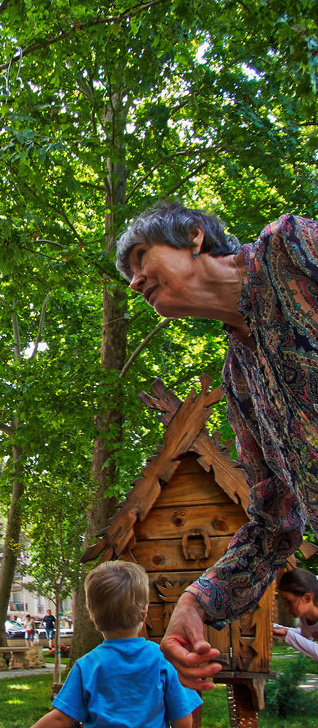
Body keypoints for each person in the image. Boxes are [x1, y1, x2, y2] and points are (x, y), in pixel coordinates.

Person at [115, 202, 318, 690]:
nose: (135, 281)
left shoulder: (287, 248)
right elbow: (274, 523)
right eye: (130, 274)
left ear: (193, 237)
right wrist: (194, 602)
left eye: (142, 257)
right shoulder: (240, 380)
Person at [0, 561, 200, 728]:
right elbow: (183, 718)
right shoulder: (160, 661)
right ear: (144, 613)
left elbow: (59, 720)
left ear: (92, 615)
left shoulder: (88, 666)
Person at [273, 568, 318, 661]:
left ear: (307, 598)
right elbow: (306, 637)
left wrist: (287, 634)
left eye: (289, 602)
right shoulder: (305, 617)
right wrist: (277, 629)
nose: (287, 608)